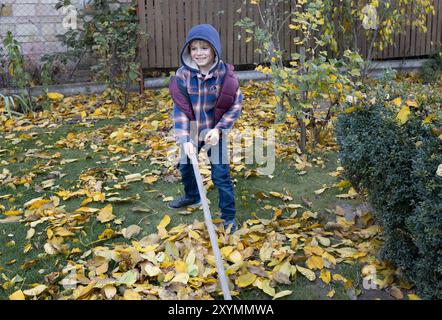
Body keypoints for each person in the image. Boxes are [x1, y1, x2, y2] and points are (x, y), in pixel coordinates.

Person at [168, 24, 243, 233]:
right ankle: (193, 196)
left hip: (214, 132)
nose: (199, 53)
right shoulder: (183, 75)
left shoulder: (225, 76)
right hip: (192, 129)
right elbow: (180, 109)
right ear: (188, 50)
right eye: (194, 48)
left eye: (204, 48)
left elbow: (235, 105)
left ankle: (228, 216)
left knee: (220, 174)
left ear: (214, 49)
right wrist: (185, 140)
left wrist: (219, 130)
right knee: (185, 166)